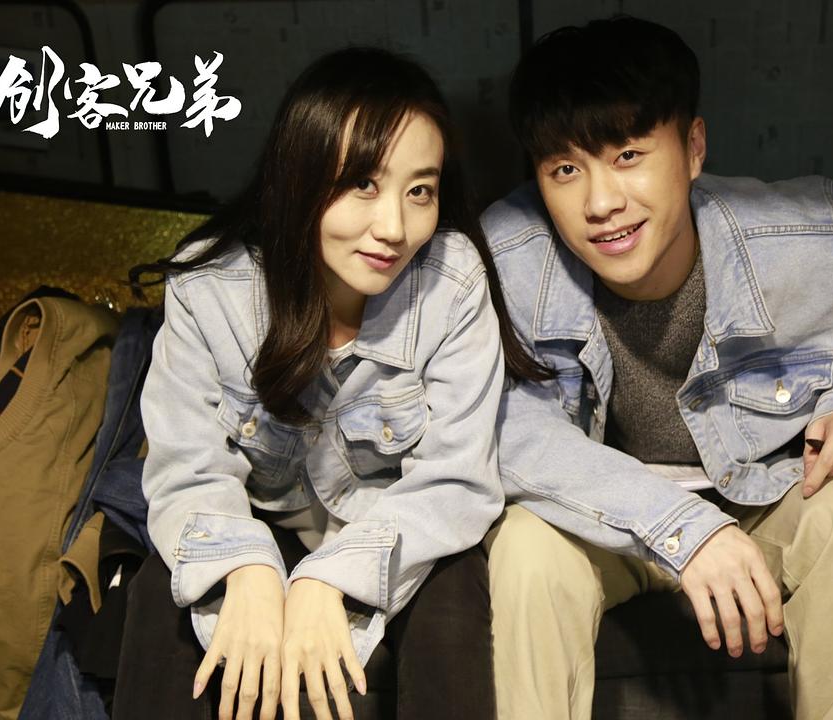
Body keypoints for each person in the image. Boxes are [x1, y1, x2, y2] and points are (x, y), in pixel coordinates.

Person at [480, 16, 833, 720]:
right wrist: (684, 528)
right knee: (525, 549)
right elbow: (507, 427)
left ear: (693, 148)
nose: (601, 204)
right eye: (566, 170)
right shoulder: (505, 259)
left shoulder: (804, 233)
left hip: (764, 495)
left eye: (629, 155)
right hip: (601, 512)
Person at [123, 47, 546, 720]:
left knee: (454, 589)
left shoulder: (452, 280)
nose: (394, 228)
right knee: (164, 586)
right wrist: (247, 570)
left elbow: (456, 481)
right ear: (300, 174)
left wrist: (329, 580)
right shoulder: (209, 288)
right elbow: (186, 468)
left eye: (420, 191)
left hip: (396, 528)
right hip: (259, 517)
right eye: (363, 185)